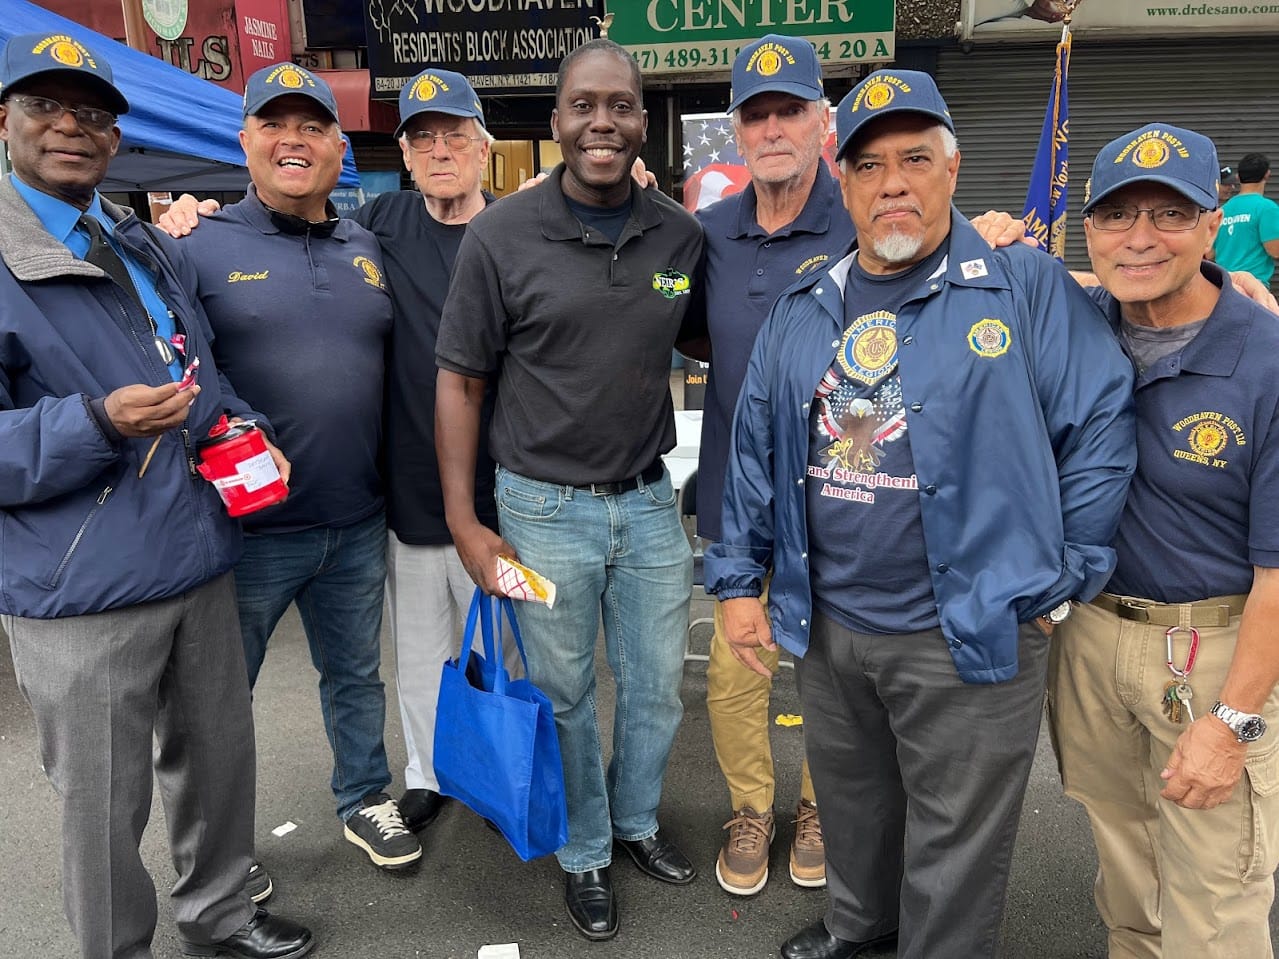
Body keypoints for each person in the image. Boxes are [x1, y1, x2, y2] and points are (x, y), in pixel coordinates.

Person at [705, 69, 1136, 959]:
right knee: (853, 806)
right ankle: (860, 929)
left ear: (952, 169)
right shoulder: (806, 303)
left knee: (955, 837)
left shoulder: (1020, 285)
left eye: (914, 159)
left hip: (969, 622)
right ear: (843, 183)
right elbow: (754, 447)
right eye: (868, 166)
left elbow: (1099, 423)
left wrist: (1066, 573)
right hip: (830, 624)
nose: (891, 183)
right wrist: (739, 580)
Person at [0, 32, 313, 959]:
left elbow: (198, 371)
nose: (70, 126)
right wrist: (97, 422)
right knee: (103, 803)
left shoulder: (138, 240)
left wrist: (244, 426)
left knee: (218, 761)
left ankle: (220, 916)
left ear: (114, 138)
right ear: (4, 120)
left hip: (195, 551)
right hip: (79, 584)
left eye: (92, 114)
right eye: (45, 106)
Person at [435, 38, 704, 943]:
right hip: (541, 509)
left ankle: (634, 821)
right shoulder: (499, 235)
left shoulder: (677, 235)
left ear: (642, 121)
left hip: (650, 504)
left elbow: (710, 330)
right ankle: (584, 848)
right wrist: (464, 520)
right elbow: (459, 381)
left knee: (658, 686)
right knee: (563, 694)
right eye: (583, 105)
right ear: (556, 121)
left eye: (619, 106)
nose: (602, 122)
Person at [162, 64, 417, 872]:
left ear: (340, 147)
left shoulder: (366, 245)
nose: (292, 140)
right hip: (245, 530)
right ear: (245, 142)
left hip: (356, 517)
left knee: (355, 676)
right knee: (215, 698)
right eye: (274, 124)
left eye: (312, 126)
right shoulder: (194, 246)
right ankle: (218, 854)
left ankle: (364, 797)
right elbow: (178, 366)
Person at [1049, 123, 1279, 959]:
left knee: (1213, 899)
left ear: (1213, 225)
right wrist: (994, 232)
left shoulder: (1266, 360)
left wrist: (1231, 723)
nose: (1139, 236)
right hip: (1091, 635)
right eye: (1116, 215)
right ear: (1088, 231)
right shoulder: (1076, 322)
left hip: (1214, 649)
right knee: (1126, 866)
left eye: (1169, 214)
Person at [1213, 152, 1279, 285]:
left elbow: (1210, 253)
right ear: (1267, 174)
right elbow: (1275, 251)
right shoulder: (1267, 208)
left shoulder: (1222, 210)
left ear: (1238, 177)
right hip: (1252, 287)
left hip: (1223, 286)